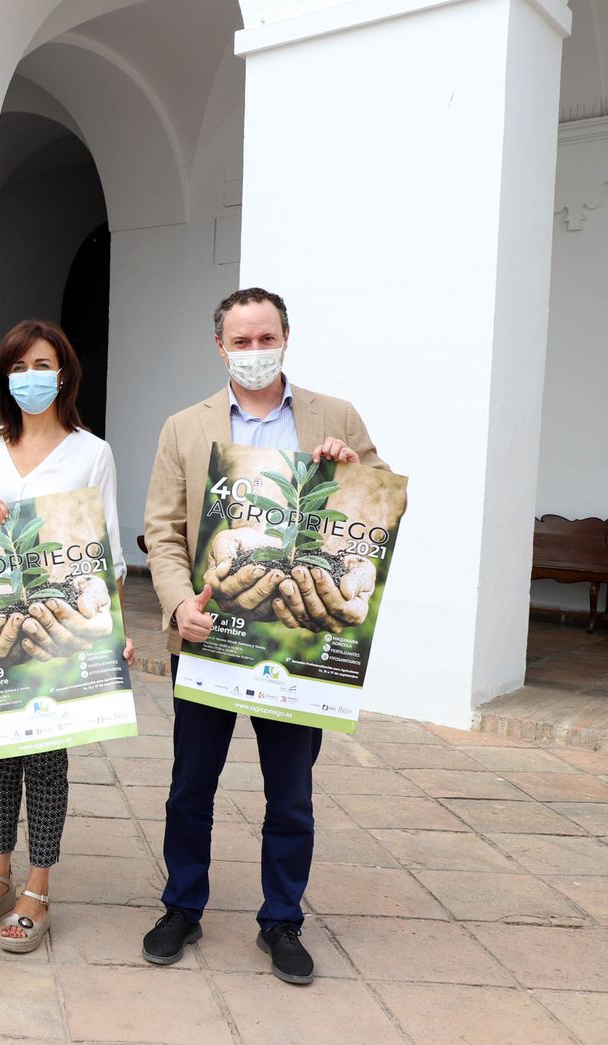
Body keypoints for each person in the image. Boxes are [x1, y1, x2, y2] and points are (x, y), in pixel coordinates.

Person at [141, 286, 388, 984]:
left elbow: (381, 507)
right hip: (212, 633)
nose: (255, 351)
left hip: (299, 642)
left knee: (291, 794)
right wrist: (175, 601)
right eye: (241, 341)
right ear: (219, 346)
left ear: (286, 337)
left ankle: (282, 918)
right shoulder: (183, 427)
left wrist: (354, 468)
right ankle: (181, 905)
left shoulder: (333, 416)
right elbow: (161, 529)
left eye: (265, 338)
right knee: (191, 787)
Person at [0, 320, 135, 953]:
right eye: (19, 365)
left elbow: (106, 548)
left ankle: (38, 886)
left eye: (43, 363)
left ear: (64, 373)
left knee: (47, 762)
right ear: (7, 377)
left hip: (59, 625)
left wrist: (116, 630)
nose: (31, 375)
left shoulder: (91, 452)